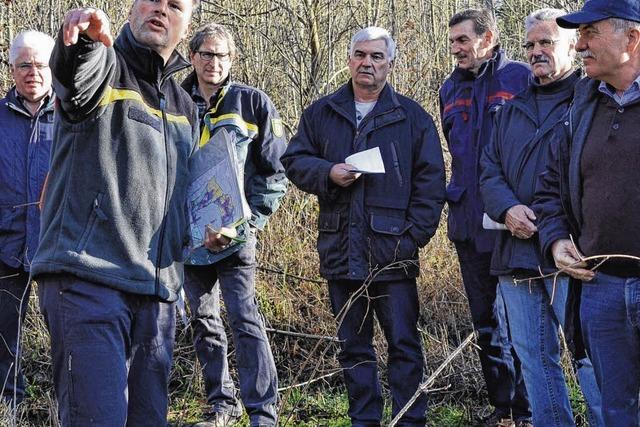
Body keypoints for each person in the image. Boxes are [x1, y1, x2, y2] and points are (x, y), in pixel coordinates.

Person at [29, 1, 200, 425]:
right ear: (129, 8)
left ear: (187, 21)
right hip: (89, 280)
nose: (161, 9)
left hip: (157, 292)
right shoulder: (105, 62)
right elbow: (74, 76)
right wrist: (85, 40)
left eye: (175, 4)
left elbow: (182, 196)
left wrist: (204, 230)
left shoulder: (185, 105)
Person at [281, 26, 445, 426]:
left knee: (404, 346)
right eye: (360, 55)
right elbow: (294, 160)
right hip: (340, 249)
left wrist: (413, 239)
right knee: (353, 348)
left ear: (390, 63)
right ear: (349, 58)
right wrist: (327, 172)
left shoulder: (412, 117)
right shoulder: (323, 112)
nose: (366, 63)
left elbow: (432, 183)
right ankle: (364, 421)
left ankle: (409, 420)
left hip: (394, 255)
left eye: (376, 56)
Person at [479, 9, 603, 426]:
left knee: (591, 361)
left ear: (572, 45)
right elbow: (488, 170)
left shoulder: (592, 102)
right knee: (535, 363)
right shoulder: (509, 111)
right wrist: (507, 208)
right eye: (530, 45)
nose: (536, 52)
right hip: (516, 256)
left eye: (546, 43)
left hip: (575, 254)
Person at [533, 1, 640, 424]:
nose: (578, 46)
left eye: (590, 33)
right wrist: (556, 240)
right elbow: (550, 188)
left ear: (632, 38)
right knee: (616, 412)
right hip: (601, 290)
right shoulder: (582, 106)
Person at [181, 23, 287, 427]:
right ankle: (221, 406)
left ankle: (263, 413)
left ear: (233, 59)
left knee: (245, 317)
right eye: (207, 54)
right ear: (192, 56)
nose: (214, 62)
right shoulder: (174, 101)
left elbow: (276, 173)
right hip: (188, 240)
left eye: (222, 55)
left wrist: (249, 224)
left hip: (236, 237)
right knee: (203, 321)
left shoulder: (253, 103)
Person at [439, 8, 532, 426]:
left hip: (512, 225)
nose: (455, 48)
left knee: (523, 324)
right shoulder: (448, 88)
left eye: (463, 39)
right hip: (467, 223)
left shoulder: (519, 79)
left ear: (488, 37)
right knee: (486, 324)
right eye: (453, 40)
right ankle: (503, 409)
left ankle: (530, 410)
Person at [0, 30, 55, 406]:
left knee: (70, 335)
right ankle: (11, 403)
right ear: (11, 69)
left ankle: (68, 403)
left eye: (40, 64)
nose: (32, 72)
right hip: (6, 245)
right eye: (24, 65)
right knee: (4, 334)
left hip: (59, 247)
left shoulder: (74, 116)